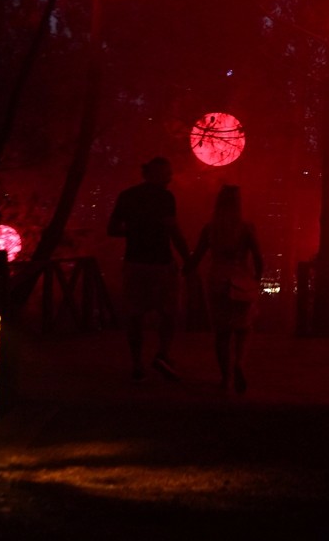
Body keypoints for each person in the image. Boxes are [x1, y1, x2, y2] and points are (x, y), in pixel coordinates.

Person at [107, 156, 191, 383]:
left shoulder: (127, 196)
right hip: (161, 264)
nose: (170, 177)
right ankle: (162, 355)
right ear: (156, 175)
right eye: (166, 173)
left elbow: (112, 229)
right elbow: (174, 232)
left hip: (134, 262)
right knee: (169, 313)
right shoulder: (165, 198)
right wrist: (188, 258)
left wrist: (135, 231)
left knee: (135, 315)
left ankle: (137, 363)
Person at [185, 184, 263, 394]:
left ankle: (225, 378)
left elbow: (197, 256)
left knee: (222, 333)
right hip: (242, 280)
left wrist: (186, 270)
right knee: (244, 328)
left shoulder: (210, 229)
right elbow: (258, 256)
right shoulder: (246, 228)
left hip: (217, 280)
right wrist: (257, 278)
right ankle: (239, 363)